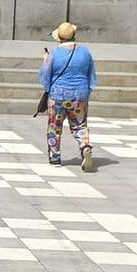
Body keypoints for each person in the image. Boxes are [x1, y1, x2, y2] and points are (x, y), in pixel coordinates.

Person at [39, 21, 97, 171]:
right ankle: (85, 145)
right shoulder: (85, 52)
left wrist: (45, 62)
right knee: (79, 125)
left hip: (58, 95)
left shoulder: (54, 53)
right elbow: (91, 75)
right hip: (79, 95)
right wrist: (86, 92)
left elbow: (45, 74)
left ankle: (55, 157)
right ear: (74, 35)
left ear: (58, 38)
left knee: (54, 127)